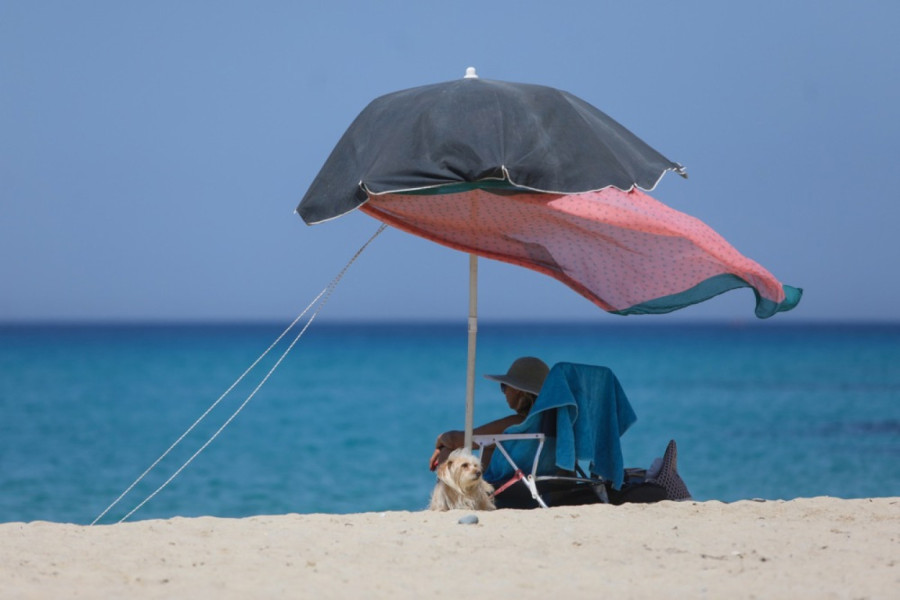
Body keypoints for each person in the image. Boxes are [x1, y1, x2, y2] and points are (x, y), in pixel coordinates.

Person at [429, 356, 550, 471]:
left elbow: (458, 439)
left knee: (447, 450)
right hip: (546, 484)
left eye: (504, 386)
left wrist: (441, 440)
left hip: (511, 487)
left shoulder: (518, 424)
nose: (504, 393)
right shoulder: (551, 423)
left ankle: (443, 493)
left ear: (517, 390)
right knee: (491, 446)